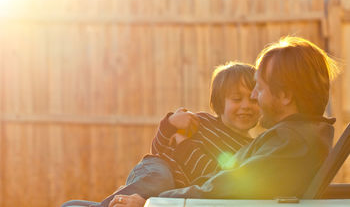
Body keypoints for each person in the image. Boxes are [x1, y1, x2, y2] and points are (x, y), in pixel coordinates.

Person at [152, 36, 339, 201]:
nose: (254, 96)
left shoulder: (292, 143)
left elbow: (220, 189)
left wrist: (152, 200)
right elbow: (219, 181)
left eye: (259, 88)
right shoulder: (292, 138)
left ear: (284, 95)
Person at [61, 62, 261, 207]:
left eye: (253, 99)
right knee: (160, 179)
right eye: (236, 99)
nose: (246, 106)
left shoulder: (249, 150)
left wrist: (184, 148)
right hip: (158, 169)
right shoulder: (200, 122)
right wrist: (170, 124)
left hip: (175, 190)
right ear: (219, 102)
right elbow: (159, 150)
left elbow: (212, 178)